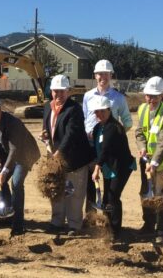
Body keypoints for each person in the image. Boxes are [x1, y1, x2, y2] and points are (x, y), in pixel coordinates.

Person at [41, 74, 94, 236]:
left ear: (68, 92)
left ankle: (74, 224)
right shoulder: (48, 107)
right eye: (56, 91)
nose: (59, 95)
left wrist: (59, 152)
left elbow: (72, 134)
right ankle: (57, 221)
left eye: (62, 92)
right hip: (56, 159)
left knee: (74, 193)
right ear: (51, 92)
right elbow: (49, 128)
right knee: (56, 190)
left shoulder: (74, 109)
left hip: (75, 159)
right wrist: (45, 136)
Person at [0, 93, 41, 236]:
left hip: (25, 153)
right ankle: (7, 212)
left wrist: (4, 171)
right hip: (8, 153)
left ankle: (18, 224)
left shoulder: (14, 123)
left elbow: (15, 149)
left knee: (16, 183)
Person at [82, 59, 132, 211]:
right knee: (89, 183)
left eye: (106, 74)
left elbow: (127, 122)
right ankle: (90, 216)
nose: (102, 77)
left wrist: (115, 137)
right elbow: (85, 118)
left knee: (109, 183)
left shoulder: (119, 98)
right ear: (94, 76)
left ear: (111, 75)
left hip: (109, 148)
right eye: (99, 74)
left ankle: (108, 216)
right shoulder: (87, 96)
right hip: (90, 145)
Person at [134, 76, 163, 244]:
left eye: (154, 96)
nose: (150, 99)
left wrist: (154, 162)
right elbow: (139, 132)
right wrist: (142, 147)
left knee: (159, 195)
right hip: (146, 159)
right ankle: (148, 224)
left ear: (161, 96)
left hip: (161, 162)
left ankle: (162, 230)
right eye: (148, 96)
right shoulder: (143, 109)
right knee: (145, 192)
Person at [90, 95, 136, 242]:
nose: (99, 114)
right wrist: (95, 164)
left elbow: (106, 149)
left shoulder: (113, 127)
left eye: (103, 111)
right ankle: (107, 227)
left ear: (109, 110)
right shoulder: (98, 127)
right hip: (108, 167)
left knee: (113, 197)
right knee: (106, 199)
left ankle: (115, 231)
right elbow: (96, 148)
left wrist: (97, 167)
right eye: (97, 112)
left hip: (121, 166)